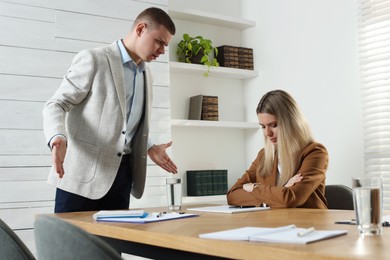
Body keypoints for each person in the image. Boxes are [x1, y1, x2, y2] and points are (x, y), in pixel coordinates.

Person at [42, 7, 177, 213]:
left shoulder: (146, 74)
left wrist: (149, 146)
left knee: (112, 246)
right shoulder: (93, 59)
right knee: (70, 245)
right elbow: (57, 104)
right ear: (140, 29)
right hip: (82, 179)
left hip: (121, 179)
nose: (162, 50)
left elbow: (126, 120)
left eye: (165, 45)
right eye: (159, 41)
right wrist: (57, 136)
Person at [227, 90, 328, 209]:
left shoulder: (315, 153)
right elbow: (232, 195)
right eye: (263, 127)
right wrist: (280, 192)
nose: (267, 133)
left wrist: (254, 188)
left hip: (307, 224)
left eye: (274, 125)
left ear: (291, 122)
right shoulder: (264, 155)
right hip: (273, 224)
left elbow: (289, 199)